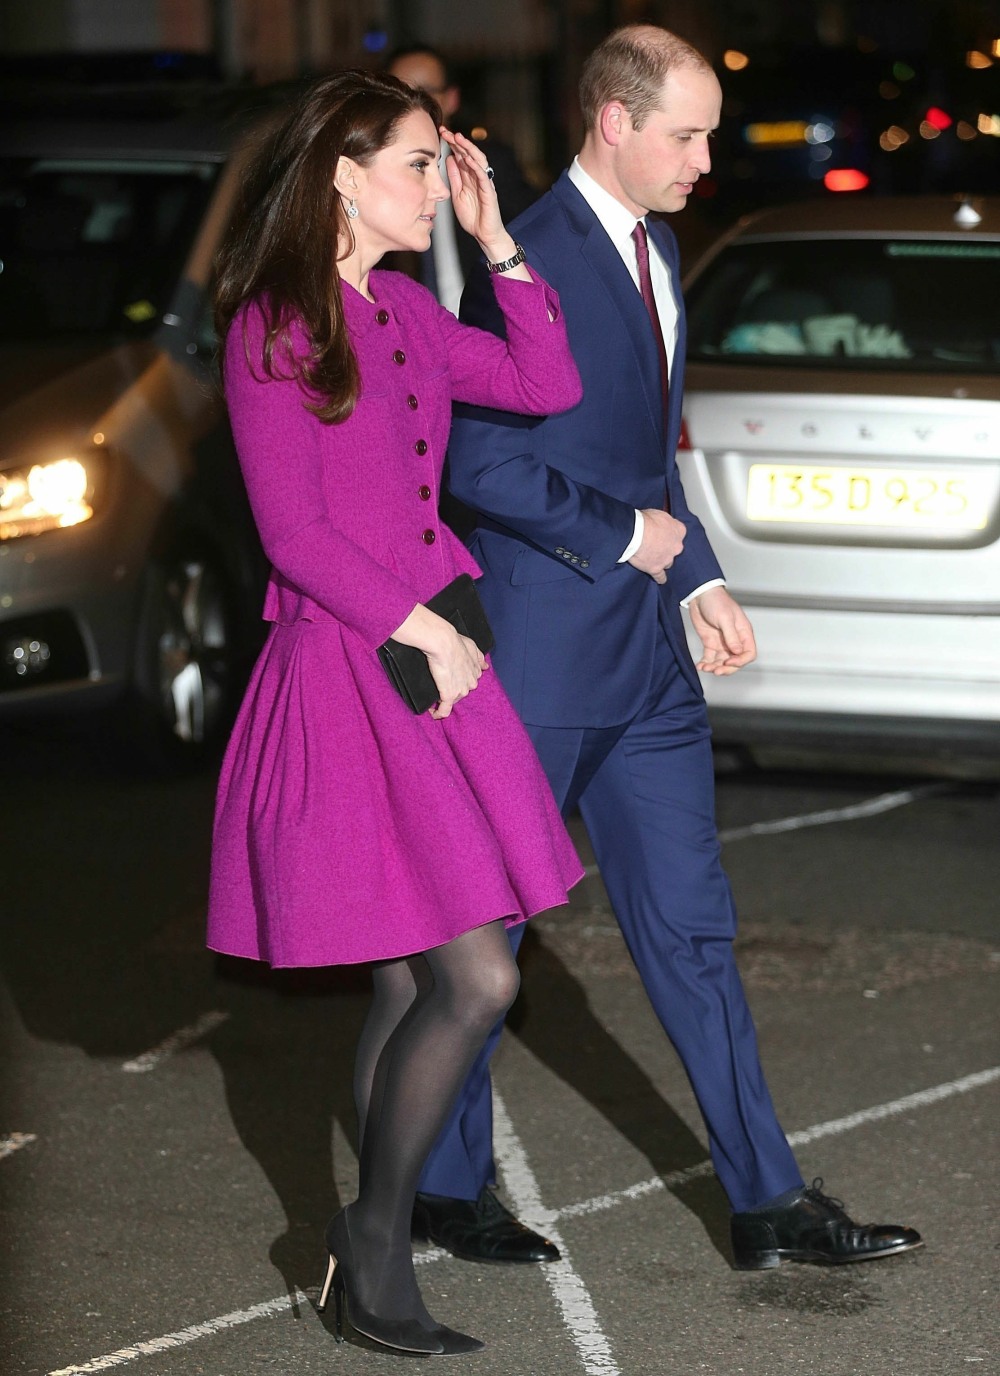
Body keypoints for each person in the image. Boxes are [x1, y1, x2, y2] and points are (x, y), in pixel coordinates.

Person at [414, 25, 924, 1273]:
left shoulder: (662, 247)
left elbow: (649, 448)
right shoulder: (516, 256)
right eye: (685, 135)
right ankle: (441, 1183)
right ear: (613, 123)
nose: (706, 157)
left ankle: (766, 1199)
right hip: (536, 653)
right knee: (492, 939)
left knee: (693, 929)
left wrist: (695, 574)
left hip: (646, 660)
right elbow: (478, 464)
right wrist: (624, 539)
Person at [205, 69, 584, 1355]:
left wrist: (496, 240)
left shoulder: (411, 308)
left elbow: (545, 384)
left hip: (432, 660)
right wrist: (418, 625)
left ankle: (368, 1244)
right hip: (356, 664)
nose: (435, 181)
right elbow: (293, 530)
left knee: (408, 977)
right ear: (340, 178)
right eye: (420, 165)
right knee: (473, 975)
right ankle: (373, 1236)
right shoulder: (275, 323)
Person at [382, 43, 538, 314]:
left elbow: (533, 234)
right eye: (396, 94)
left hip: (485, 322)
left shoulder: (485, 164)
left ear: (451, 99)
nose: (409, 105)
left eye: (422, 93)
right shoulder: (376, 176)